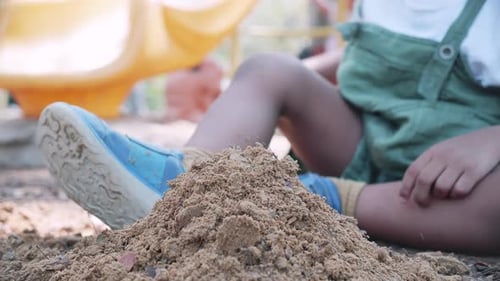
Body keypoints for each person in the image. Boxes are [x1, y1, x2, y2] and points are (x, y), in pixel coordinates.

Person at [35, 0, 500, 255]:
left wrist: (491, 141)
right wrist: (301, 77)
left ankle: (310, 197)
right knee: (268, 68)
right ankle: (187, 186)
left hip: (466, 183)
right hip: (363, 143)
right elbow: (383, 60)